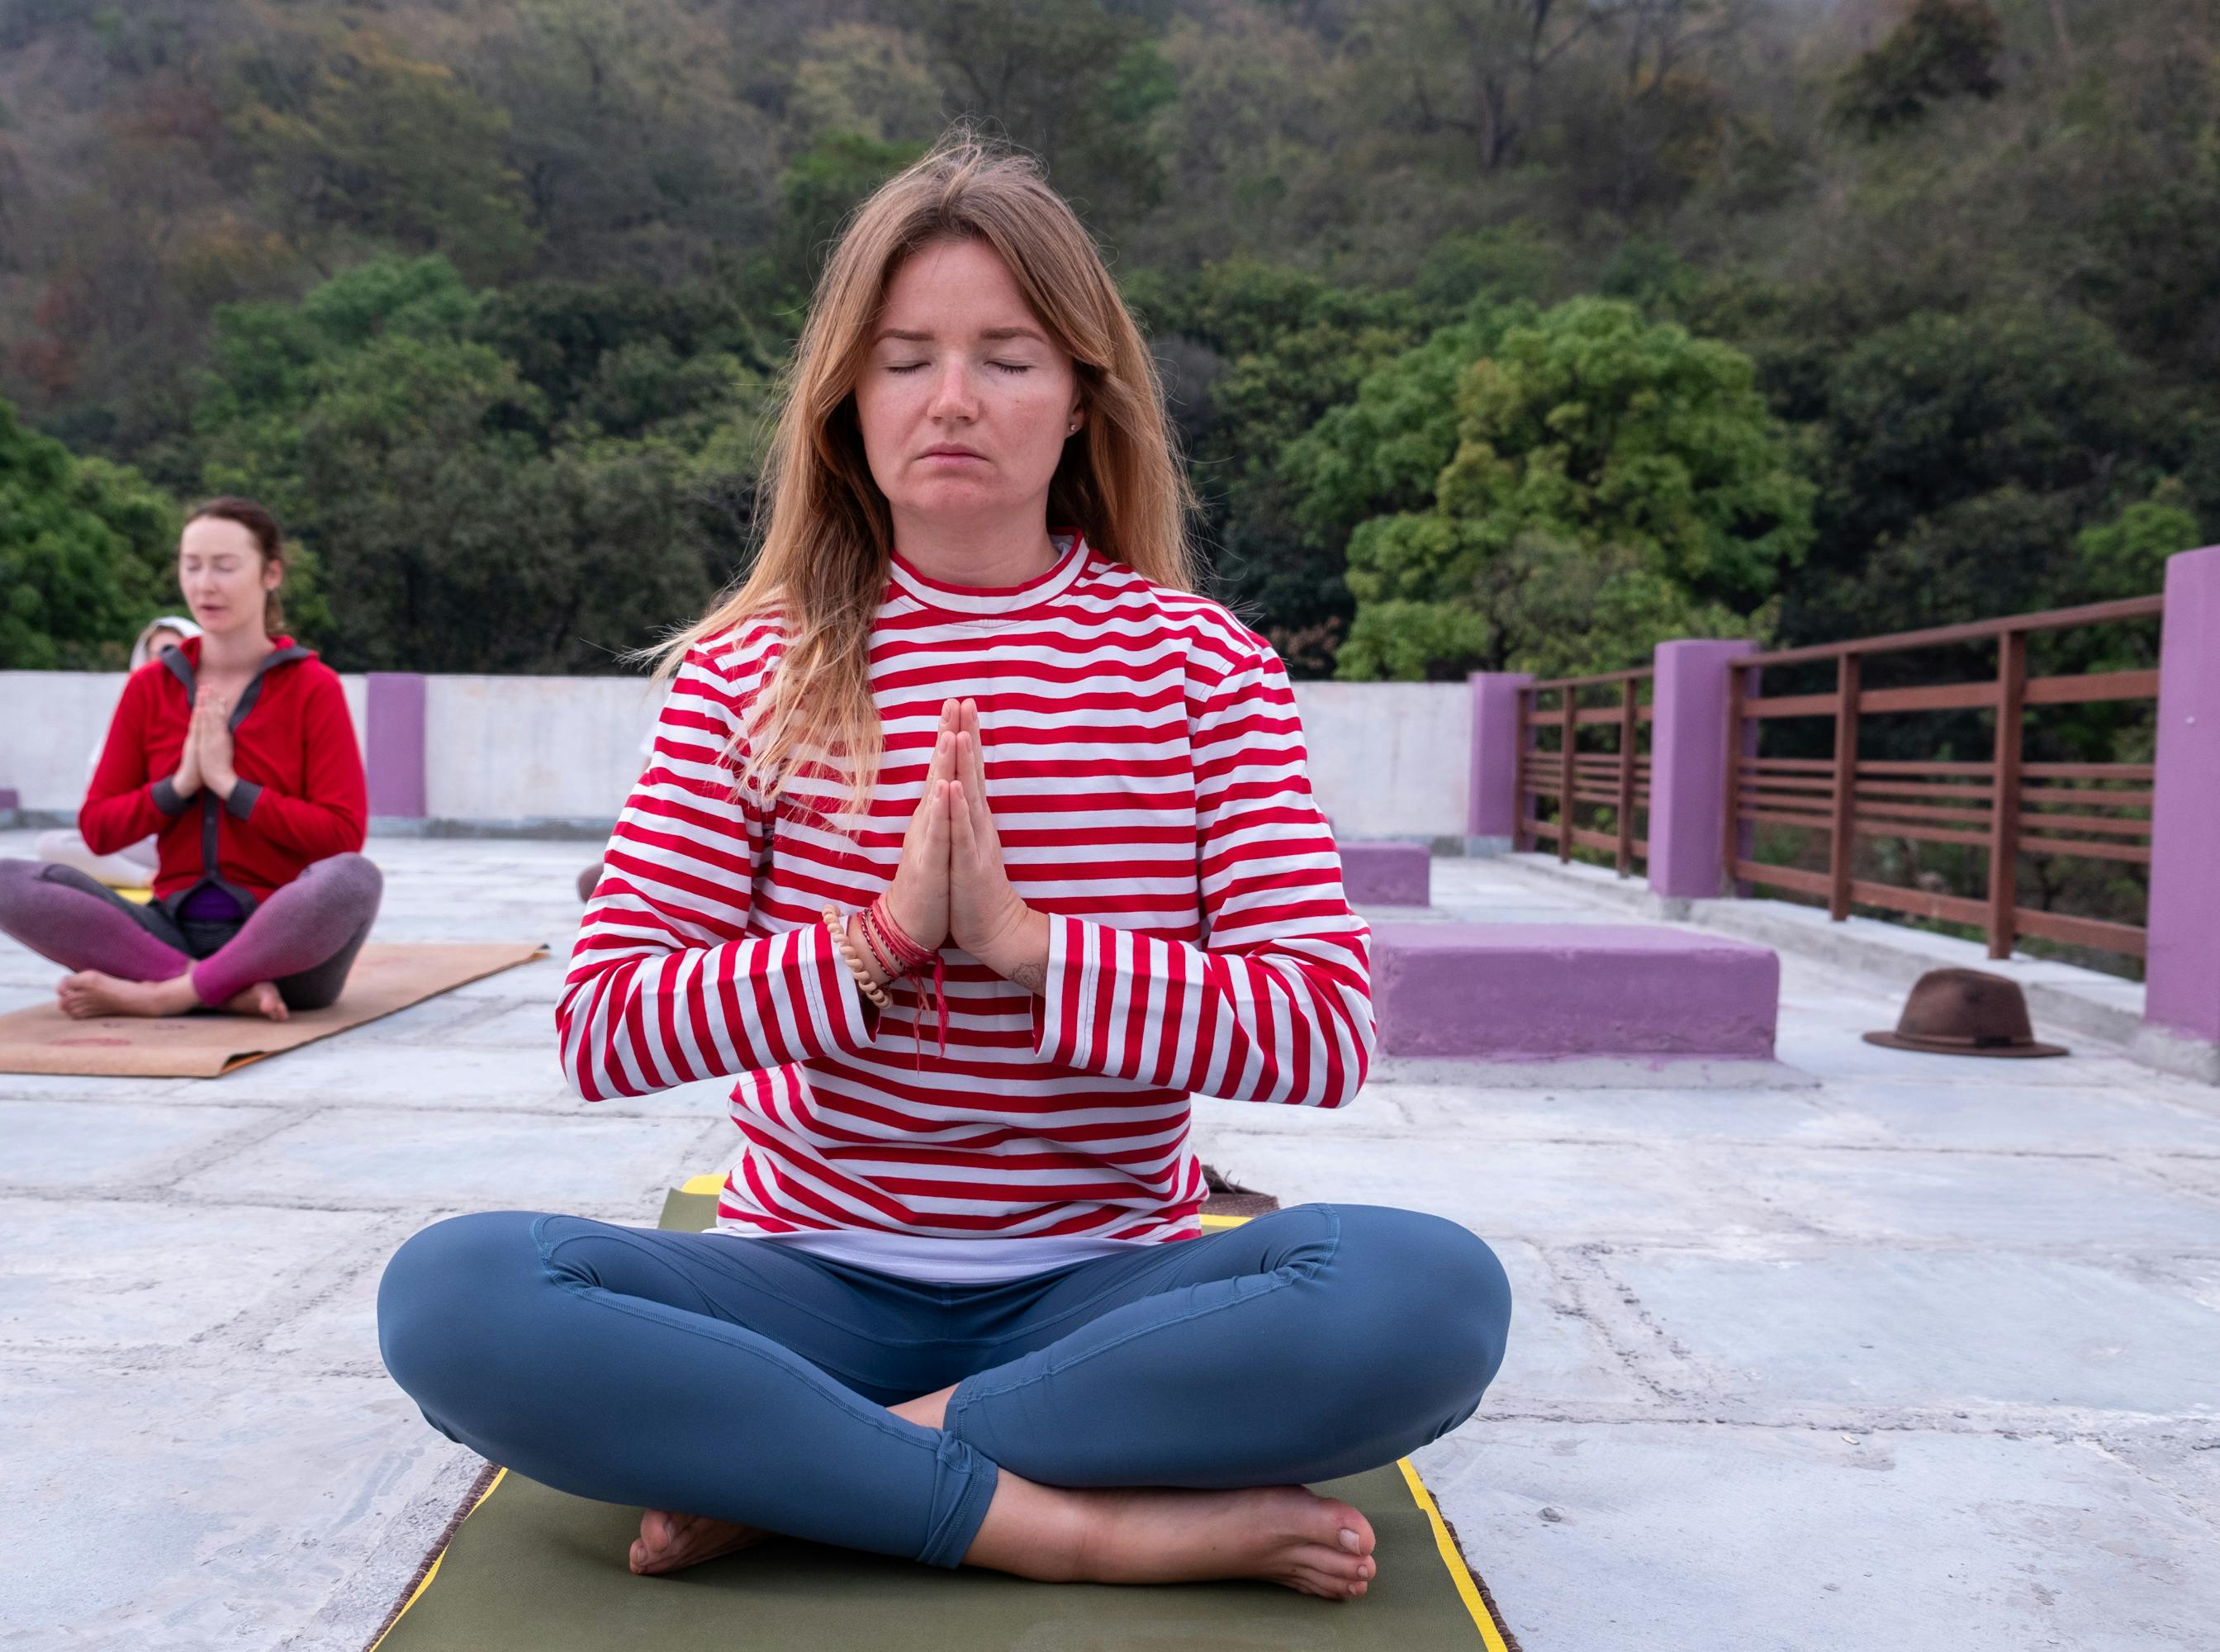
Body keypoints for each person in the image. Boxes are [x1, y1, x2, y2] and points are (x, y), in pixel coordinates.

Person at [377, 136, 1509, 1602]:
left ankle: (821, 1470)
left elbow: (1321, 1032)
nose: (955, 399)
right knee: (457, 1297)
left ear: (1084, 393)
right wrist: (881, 938)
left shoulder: (1201, 668)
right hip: (805, 1283)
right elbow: (607, 1026)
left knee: (1426, 1297)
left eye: (1008, 356)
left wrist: (1032, 949)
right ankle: (1067, 1524)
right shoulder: (751, 671)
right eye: (906, 358)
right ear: (847, 397)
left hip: (1112, 1295)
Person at [0, 499, 382, 1022]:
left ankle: (170, 994)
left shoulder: (312, 687)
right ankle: (208, 984)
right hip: (169, 930)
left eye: (225, 566)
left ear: (271, 573)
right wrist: (182, 784)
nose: (204, 585)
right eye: (192, 565)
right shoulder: (151, 687)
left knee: (352, 879)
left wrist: (232, 787)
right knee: (3, 882)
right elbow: (98, 830)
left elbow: (341, 836)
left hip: (283, 951)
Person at [32, 615, 202, 887]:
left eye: (175, 652)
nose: (166, 662)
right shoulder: (135, 706)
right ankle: (148, 879)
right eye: (158, 653)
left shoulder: (210, 708)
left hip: (195, 838)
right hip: (140, 838)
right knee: (53, 845)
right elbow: (102, 805)